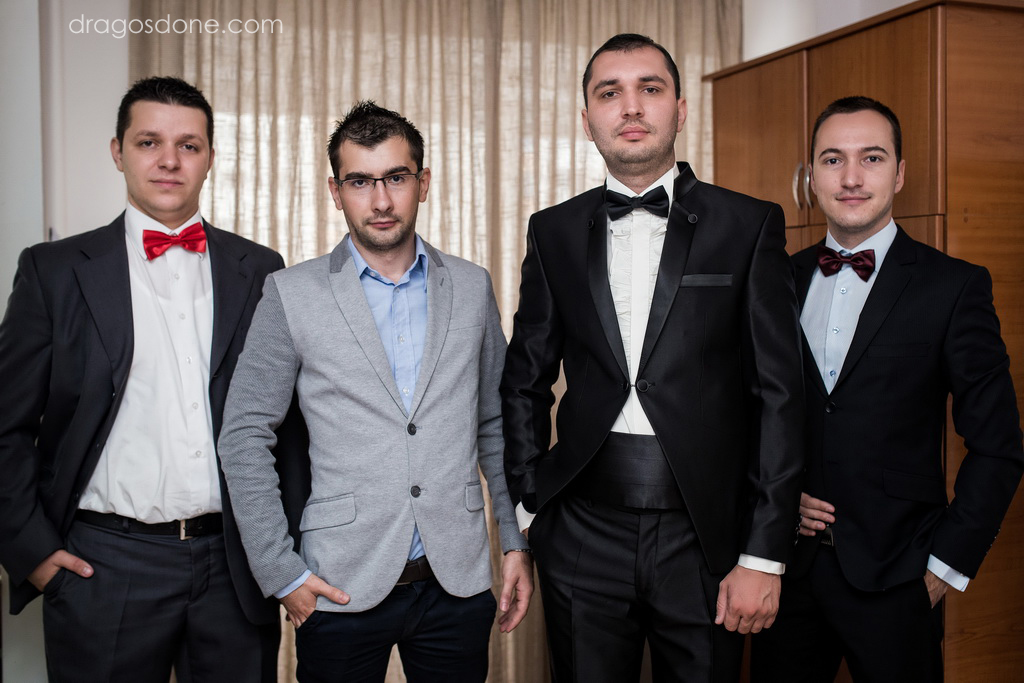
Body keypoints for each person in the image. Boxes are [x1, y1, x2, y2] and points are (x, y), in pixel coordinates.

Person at [500, 33, 805, 682]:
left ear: (681, 109)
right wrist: (530, 500)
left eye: (650, 88)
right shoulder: (552, 230)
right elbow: (524, 378)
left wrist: (763, 553)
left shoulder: (749, 224)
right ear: (588, 119)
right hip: (581, 527)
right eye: (610, 93)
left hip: (707, 532)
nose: (631, 106)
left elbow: (780, 395)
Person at [217, 100, 533, 683]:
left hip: (457, 581)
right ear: (336, 192)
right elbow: (243, 434)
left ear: (423, 182)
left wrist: (515, 543)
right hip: (339, 583)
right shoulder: (291, 293)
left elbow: (494, 424)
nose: (381, 200)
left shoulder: (471, 286)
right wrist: (280, 571)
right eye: (360, 181)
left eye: (396, 178)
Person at [0, 76, 290, 682]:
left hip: (235, 566)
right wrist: (33, 553)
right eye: (149, 142)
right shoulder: (53, 271)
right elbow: (7, 425)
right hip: (103, 566)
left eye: (188, 145)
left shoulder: (262, 270)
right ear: (118, 151)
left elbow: (284, 425)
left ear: (210, 157)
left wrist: (284, 555)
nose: (169, 160)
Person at [751, 96, 1024, 682]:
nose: (851, 178)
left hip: (900, 577)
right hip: (787, 572)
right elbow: (743, 413)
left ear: (899, 173)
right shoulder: (774, 280)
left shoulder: (955, 287)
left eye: (871, 158)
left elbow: (999, 446)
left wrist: (944, 568)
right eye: (833, 160)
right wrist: (775, 500)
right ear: (810, 177)